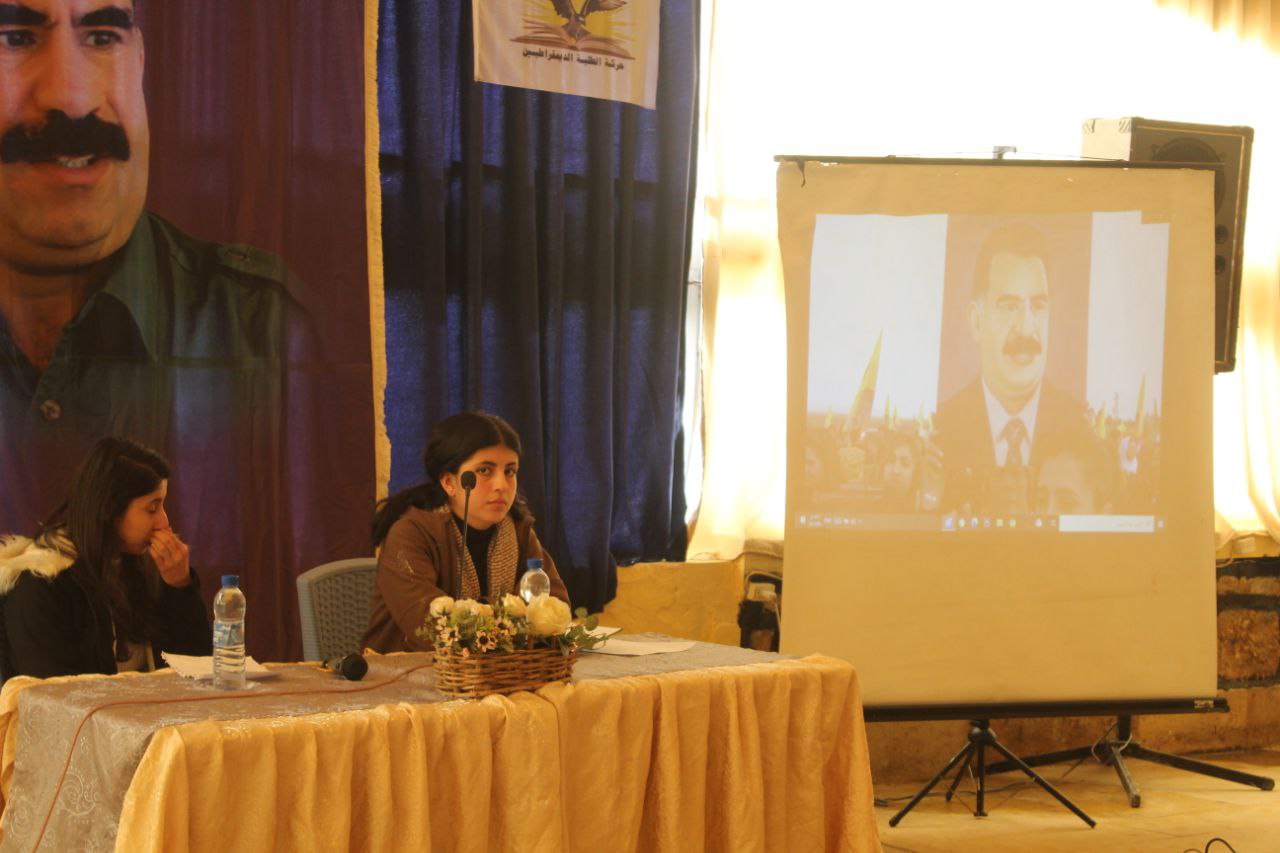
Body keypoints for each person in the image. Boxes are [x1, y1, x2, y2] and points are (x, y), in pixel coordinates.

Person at [0, 0, 298, 540]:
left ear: (138, 61)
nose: (73, 98)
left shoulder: (266, 323)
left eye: (102, 37)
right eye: (15, 38)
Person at [0, 436, 210, 680]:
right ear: (108, 508)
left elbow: (198, 669)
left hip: (150, 703)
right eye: (152, 508)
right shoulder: (40, 585)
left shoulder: (138, 567)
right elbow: (52, 695)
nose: (164, 522)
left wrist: (179, 587)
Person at [362, 411, 570, 654]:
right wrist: (512, 611)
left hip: (498, 671)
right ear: (449, 482)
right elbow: (432, 628)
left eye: (510, 471)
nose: (501, 485)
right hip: (407, 671)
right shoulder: (410, 533)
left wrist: (494, 616)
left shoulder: (519, 531)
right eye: (484, 471)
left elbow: (556, 607)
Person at [934, 223, 1091, 514]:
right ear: (976, 322)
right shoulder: (941, 430)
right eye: (1009, 306)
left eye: (1038, 306)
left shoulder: (1080, 430)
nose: (1027, 328)